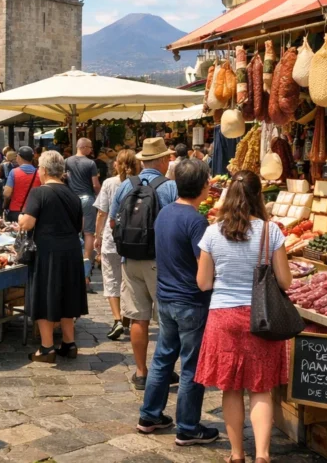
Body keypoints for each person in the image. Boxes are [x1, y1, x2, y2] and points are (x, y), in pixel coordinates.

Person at [196, 170, 292, 463]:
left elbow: (203, 283)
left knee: (231, 388)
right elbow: (285, 281)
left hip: (223, 317)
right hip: (261, 318)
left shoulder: (212, 232)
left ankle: (237, 454)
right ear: (258, 195)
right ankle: (262, 455)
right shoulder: (270, 232)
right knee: (261, 389)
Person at [138, 159, 219, 444]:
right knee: (191, 365)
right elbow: (203, 267)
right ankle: (187, 427)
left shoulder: (165, 212)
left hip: (166, 297)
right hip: (190, 301)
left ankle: (149, 415)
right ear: (203, 187)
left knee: (163, 357)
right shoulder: (196, 221)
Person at [109, 137, 179, 390]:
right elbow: (176, 224)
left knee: (138, 319)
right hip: (160, 261)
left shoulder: (125, 186)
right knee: (167, 320)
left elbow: (113, 222)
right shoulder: (170, 187)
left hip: (130, 259)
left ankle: (141, 372)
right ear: (161, 161)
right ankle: (164, 370)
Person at [19, 150, 89, 362]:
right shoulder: (72, 194)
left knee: (45, 297)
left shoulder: (39, 193)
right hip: (71, 251)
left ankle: (47, 348)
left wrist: (21, 218)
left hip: (48, 252)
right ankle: (69, 343)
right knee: (67, 295)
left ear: (44, 170)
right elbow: (80, 226)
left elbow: (27, 223)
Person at [93, 149, 140, 341]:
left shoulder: (109, 183)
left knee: (111, 278)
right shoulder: (141, 183)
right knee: (129, 282)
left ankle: (117, 319)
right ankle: (127, 321)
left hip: (112, 238)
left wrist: (97, 235)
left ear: (117, 164)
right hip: (135, 239)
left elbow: (102, 213)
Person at [66, 138, 101, 290]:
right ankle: (85, 272)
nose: (91, 150)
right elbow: (95, 184)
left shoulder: (67, 161)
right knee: (88, 233)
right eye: (90, 147)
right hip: (87, 198)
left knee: (73, 232)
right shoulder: (90, 163)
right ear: (84, 147)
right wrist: (100, 196)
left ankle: (72, 267)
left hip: (71, 198)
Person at [4, 146, 40, 222]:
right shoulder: (39, 173)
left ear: (19, 157)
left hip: (16, 211)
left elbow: (7, 193)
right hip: (34, 212)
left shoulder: (14, 172)